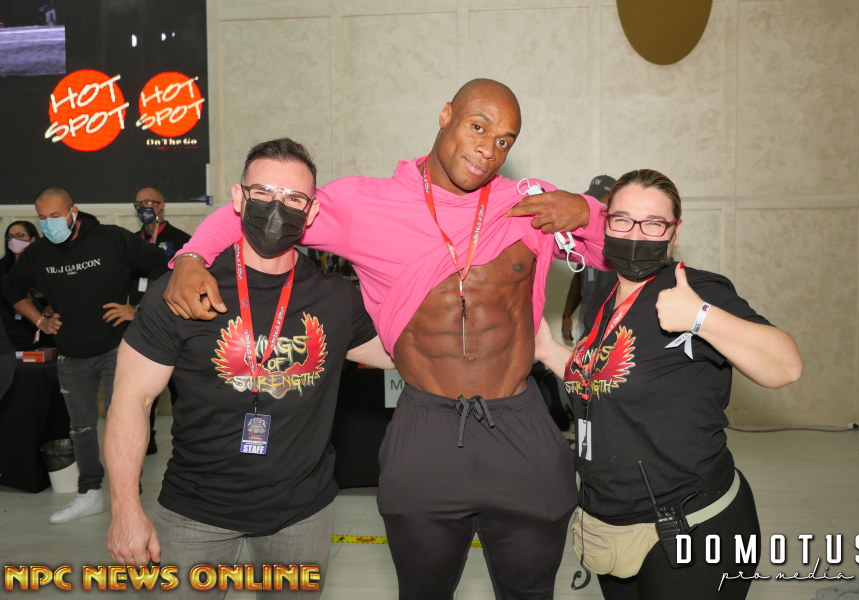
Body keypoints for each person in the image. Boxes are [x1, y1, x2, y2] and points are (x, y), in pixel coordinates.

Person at [163, 79, 609, 599]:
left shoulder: (528, 205)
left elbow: (622, 245)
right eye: (478, 127)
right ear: (445, 115)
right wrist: (191, 256)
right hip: (427, 424)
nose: (489, 149)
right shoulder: (365, 204)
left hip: (518, 421)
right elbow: (266, 209)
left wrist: (587, 211)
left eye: (504, 140)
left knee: (531, 591)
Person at [105, 138, 393, 599]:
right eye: (263, 193)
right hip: (194, 512)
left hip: (301, 515)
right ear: (238, 199)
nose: (277, 208)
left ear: (312, 212)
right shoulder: (183, 290)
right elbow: (131, 400)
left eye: (294, 198)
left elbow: (412, 355)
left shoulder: (336, 298)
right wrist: (124, 509)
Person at [535, 169, 803, 600]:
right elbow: (605, 382)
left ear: (674, 233)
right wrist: (549, 352)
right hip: (613, 525)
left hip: (690, 527)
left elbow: (785, 366)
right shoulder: (605, 300)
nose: (635, 234)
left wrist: (700, 317)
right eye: (622, 219)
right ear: (605, 225)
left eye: (654, 223)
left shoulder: (695, 290)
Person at [1, 186, 169, 524]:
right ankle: (89, 492)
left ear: (73, 212)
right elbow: (10, 286)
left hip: (118, 348)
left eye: (55, 216)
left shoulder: (111, 239)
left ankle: (128, 496)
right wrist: (40, 320)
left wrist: (138, 310)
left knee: (124, 422)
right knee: (80, 428)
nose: (49, 223)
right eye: (43, 218)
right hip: (71, 353)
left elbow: (164, 266)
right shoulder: (39, 253)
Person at [130, 186, 192, 455]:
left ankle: (187, 441)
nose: (144, 208)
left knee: (181, 388)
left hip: (174, 321)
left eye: (149, 202)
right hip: (141, 324)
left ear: (161, 205)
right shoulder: (132, 242)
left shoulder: (182, 240)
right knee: (143, 390)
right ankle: (146, 441)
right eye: (138, 204)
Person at [561, 175, 617, 343]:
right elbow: (580, 277)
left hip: (613, 321)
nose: (595, 205)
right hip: (586, 319)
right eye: (592, 199)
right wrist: (567, 314)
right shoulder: (586, 235)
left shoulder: (622, 237)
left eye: (601, 200)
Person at [0, 220, 52, 350]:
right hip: (10, 335)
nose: (14, 240)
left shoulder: (45, 267)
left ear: (33, 239)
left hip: (44, 334)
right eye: (10, 237)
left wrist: (51, 306)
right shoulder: (3, 268)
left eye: (20, 236)